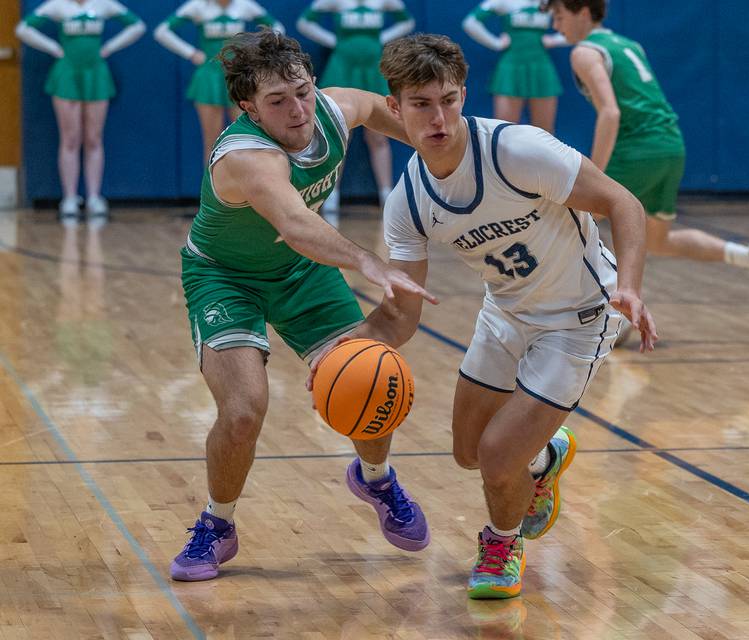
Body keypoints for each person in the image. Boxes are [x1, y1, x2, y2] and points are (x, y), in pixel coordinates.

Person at [308, 33, 657, 599]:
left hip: (579, 315)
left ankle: (501, 542)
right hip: (506, 312)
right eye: (420, 104)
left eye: (447, 99)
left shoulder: (518, 150)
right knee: (468, 452)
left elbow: (624, 202)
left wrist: (633, 288)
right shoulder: (409, 201)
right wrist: (339, 352)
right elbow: (400, 318)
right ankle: (546, 456)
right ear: (395, 109)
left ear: (463, 94)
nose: (438, 116)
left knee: (497, 457)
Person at [171, 29, 438, 582]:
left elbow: (373, 108)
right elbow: (295, 225)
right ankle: (217, 525)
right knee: (243, 410)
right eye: (277, 101)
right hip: (226, 277)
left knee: (366, 375)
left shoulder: (333, 110)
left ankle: (377, 478)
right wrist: (367, 261)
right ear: (248, 108)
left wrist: (448, 147)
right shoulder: (245, 156)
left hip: (300, 274)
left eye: (302, 91)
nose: (297, 110)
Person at [547, 0, 749, 302]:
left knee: (575, 219)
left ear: (582, 11)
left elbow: (610, 112)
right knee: (658, 240)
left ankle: (610, 312)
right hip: (671, 145)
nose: (556, 26)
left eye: (559, 16)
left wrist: (594, 174)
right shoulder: (628, 44)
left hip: (638, 148)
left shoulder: (584, 52)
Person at [15, 0, 145, 223]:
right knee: (70, 138)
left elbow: (137, 25)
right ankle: (69, 198)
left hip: (96, 74)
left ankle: (94, 196)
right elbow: (23, 28)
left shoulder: (104, 4)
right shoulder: (57, 5)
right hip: (67, 75)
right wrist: (53, 48)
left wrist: (109, 48)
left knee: (93, 138)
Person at [297, 0, 415, 214]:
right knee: (339, 133)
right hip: (342, 66)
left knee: (379, 135)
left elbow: (407, 22)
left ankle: (386, 193)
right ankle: (331, 193)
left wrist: (382, 39)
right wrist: (334, 40)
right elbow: (304, 22)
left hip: (373, 67)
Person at [154, 0, 285, 164]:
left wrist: (257, 50)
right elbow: (162, 31)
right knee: (213, 142)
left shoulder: (244, 5)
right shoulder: (198, 6)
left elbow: (277, 27)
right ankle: (212, 189)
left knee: (245, 139)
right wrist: (191, 53)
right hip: (209, 78)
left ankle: (245, 187)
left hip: (238, 76)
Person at [462, 0, 566, 132]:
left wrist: (555, 40)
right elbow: (470, 22)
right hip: (510, 69)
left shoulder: (551, 3)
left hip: (541, 68)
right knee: (505, 131)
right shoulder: (503, 1)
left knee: (545, 133)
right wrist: (496, 43)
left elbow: (579, 24)